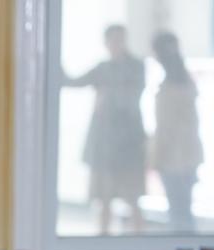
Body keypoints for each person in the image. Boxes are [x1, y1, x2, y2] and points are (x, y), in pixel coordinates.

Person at [65, 25, 147, 233]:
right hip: (105, 143)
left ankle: (139, 241)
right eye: (112, 40)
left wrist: (107, 92)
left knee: (132, 197)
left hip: (128, 143)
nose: (116, 44)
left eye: (119, 39)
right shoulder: (103, 68)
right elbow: (74, 82)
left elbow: (129, 98)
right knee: (104, 197)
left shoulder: (136, 66)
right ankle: (103, 238)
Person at [151, 31, 204, 231]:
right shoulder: (186, 82)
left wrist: (157, 157)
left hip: (174, 156)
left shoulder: (171, 87)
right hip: (188, 154)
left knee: (178, 213)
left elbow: (166, 129)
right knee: (183, 211)